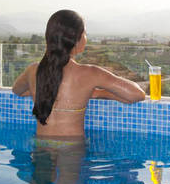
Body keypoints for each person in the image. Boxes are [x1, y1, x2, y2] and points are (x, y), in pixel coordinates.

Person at [11, 9, 145, 138]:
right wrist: (99, 93)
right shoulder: (90, 73)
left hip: (40, 145)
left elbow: (17, 91)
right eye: (85, 33)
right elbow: (137, 94)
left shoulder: (33, 70)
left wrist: (42, 91)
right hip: (70, 150)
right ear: (76, 39)